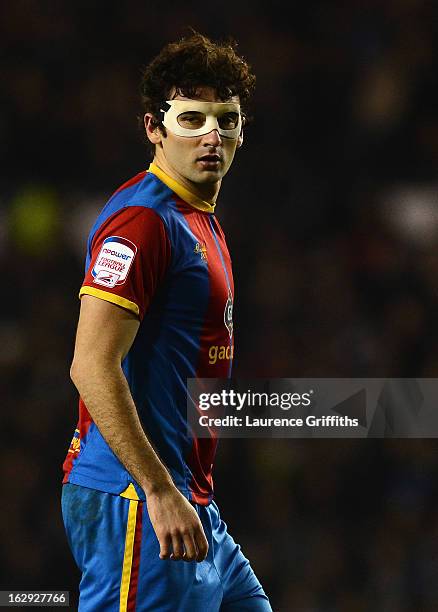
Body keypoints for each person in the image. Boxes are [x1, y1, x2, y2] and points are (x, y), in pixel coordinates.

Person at [61, 31, 272, 611]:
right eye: (191, 118)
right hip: (136, 498)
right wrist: (157, 489)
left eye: (226, 120)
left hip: (192, 500)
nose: (212, 135)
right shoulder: (143, 222)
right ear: (153, 127)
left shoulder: (198, 215)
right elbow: (90, 364)